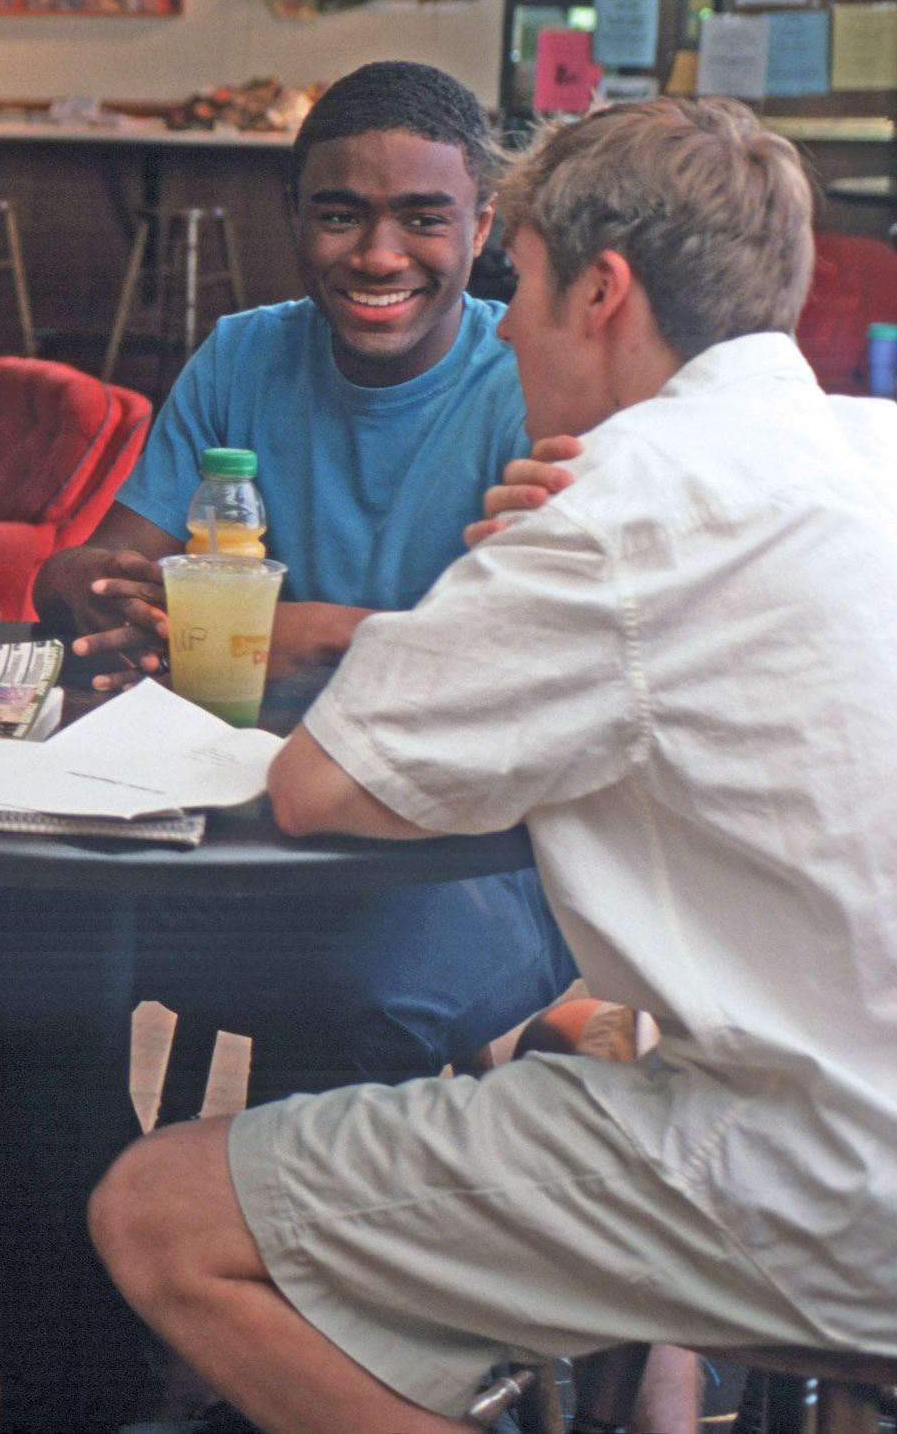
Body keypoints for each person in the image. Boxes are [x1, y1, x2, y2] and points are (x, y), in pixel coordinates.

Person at [90, 96, 897, 1434]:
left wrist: (497, 562)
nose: (503, 325)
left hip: (815, 1172)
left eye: (513, 280)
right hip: (824, 1102)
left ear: (604, 289)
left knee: (160, 1211)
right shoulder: (871, 447)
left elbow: (322, 785)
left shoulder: (615, 505)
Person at [0, 59, 579, 1433]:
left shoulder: (529, 380)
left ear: (485, 223)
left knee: (362, 986)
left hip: (474, 864)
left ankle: (287, 1383)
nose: (378, 252)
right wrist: (89, 593)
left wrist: (303, 632)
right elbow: (114, 564)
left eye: (420, 217)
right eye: (339, 215)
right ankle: (84, 1381)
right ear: (294, 218)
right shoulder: (243, 354)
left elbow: (537, 658)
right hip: (236, 829)